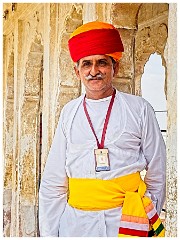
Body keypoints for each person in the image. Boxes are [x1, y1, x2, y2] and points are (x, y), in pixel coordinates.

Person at [39, 21, 166, 237]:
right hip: (76, 225)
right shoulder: (69, 113)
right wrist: (51, 233)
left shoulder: (140, 109)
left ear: (115, 68)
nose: (94, 71)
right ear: (77, 71)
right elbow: (53, 182)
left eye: (102, 63)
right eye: (86, 64)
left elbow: (157, 172)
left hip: (128, 222)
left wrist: (145, 216)